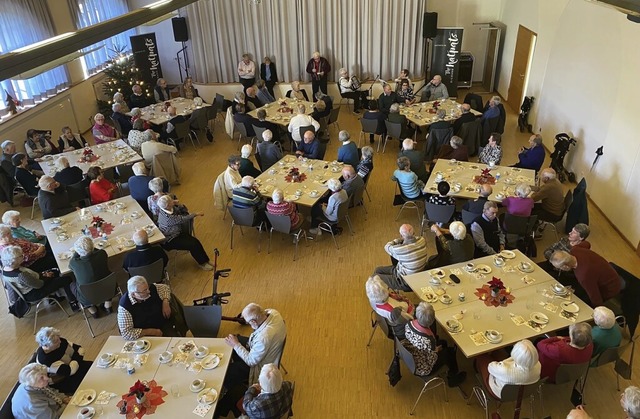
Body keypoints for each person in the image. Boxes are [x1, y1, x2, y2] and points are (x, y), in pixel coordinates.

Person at [221, 303, 286, 416]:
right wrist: (237, 344)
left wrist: (236, 345)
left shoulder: (264, 338)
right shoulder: (273, 312)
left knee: (228, 373)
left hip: (260, 363)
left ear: (254, 322)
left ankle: (232, 387)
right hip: (267, 349)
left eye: (248, 323)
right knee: (236, 340)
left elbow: (251, 361)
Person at [403, 301, 467, 387]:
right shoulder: (428, 339)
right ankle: (453, 377)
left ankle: (450, 368)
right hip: (423, 367)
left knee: (444, 343)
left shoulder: (409, 324)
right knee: (448, 353)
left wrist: (434, 348)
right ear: (431, 320)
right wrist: (436, 350)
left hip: (412, 353)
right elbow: (432, 359)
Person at [0, 245, 79, 311]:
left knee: (55, 272)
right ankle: (73, 303)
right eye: (21, 256)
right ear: (14, 260)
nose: (23, 257)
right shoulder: (21, 275)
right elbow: (39, 284)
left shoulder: (5, 270)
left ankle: (54, 297)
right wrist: (47, 276)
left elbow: (32, 278)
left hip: (31, 286)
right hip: (34, 293)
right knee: (66, 279)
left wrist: (44, 274)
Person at [156, 194, 213, 270]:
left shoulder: (165, 209)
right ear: (167, 206)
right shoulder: (168, 218)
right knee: (193, 244)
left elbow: (184, 211)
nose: (173, 201)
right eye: (171, 201)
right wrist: (195, 214)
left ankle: (206, 260)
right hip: (170, 240)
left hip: (176, 233)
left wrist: (177, 204)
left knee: (195, 241)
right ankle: (202, 263)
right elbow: (183, 218)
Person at [550, 248, 622, 307]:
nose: (560, 270)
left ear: (565, 266)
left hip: (609, 287)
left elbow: (595, 297)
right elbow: (586, 243)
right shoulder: (576, 250)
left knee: (580, 302)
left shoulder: (583, 276)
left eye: (559, 268)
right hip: (608, 274)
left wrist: (597, 310)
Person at [118, 275, 183, 340]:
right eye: (144, 291)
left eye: (147, 288)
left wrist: (165, 301)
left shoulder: (152, 288)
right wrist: (152, 332)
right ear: (133, 294)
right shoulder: (124, 307)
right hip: (143, 334)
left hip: (163, 324)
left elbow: (165, 287)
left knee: (176, 342)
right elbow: (126, 333)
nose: (148, 291)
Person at [474, 339, 541, 399]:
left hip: (499, 392)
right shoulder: (538, 365)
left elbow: (490, 367)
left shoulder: (505, 369)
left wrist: (501, 363)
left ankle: (477, 369)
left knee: (481, 355)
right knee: (498, 353)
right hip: (524, 392)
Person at [35, 327, 91, 395]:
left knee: (96, 367)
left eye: (59, 338)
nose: (60, 341)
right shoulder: (46, 360)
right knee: (89, 384)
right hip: (63, 380)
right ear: (46, 345)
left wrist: (75, 361)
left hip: (76, 367)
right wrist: (77, 357)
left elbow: (79, 348)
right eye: (56, 341)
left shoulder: (60, 341)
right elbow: (70, 371)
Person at [373, 224, 428, 291]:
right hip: (413, 273)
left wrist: (398, 240)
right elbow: (416, 238)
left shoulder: (400, 249)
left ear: (401, 235)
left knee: (374, 277)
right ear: (414, 233)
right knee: (378, 270)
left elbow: (387, 246)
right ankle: (384, 289)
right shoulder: (422, 240)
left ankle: (382, 294)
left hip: (404, 281)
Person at [69, 236, 113, 318]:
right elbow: (97, 250)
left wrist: (77, 251)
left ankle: (93, 312)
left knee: (72, 285)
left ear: (78, 252)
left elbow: (71, 264)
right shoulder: (102, 254)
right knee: (106, 278)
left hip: (87, 297)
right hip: (108, 289)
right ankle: (108, 307)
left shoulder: (74, 263)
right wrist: (90, 247)